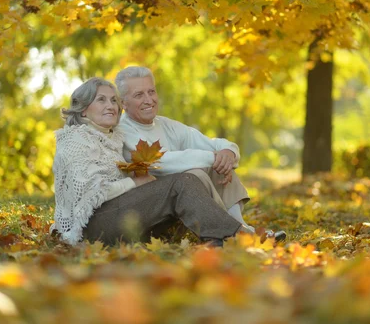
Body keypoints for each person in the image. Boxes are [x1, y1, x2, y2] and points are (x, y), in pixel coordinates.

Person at [51, 77, 243, 246]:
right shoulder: (76, 139)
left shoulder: (111, 137)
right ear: (83, 110)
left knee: (188, 179)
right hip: (93, 226)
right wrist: (135, 182)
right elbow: (92, 193)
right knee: (182, 183)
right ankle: (236, 236)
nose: (110, 106)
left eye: (113, 100)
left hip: (116, 215)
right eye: (101, 100)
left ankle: (221, 240)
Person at [114, 66, 286, 241]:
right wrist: (213, 158)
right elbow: (161, 163)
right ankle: (233, 233)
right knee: (195, 174)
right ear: (123, 103)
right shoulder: (122, 131)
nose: (149, 99)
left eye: (151, 91)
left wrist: (228, 153)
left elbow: (212, 144)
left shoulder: (166, 125)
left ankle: (241, 229)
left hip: (185, 207)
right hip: (150, 214)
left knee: (221, 165)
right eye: (139, 95)